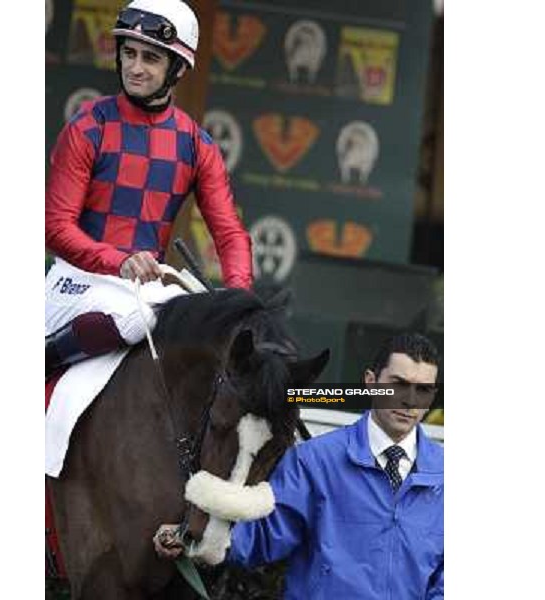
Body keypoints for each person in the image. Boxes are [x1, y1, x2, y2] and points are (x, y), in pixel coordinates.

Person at [45, 0, 252, 378]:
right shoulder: (88, 126)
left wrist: (238, 297)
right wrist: (118, 261)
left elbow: (230, 234)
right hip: (75, 281)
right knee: (142, 318)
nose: (135, 68)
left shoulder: (196, 144)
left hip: (144, 290)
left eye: (150, 59)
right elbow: (55, 227)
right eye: (129, 53)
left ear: (176, 68)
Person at [154, 332, 444, 599]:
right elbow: (262, 534)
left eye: (423, 390)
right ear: (370, 381)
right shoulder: (315, 460)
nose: (409, 400)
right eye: (398, 384)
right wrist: (193, 538)